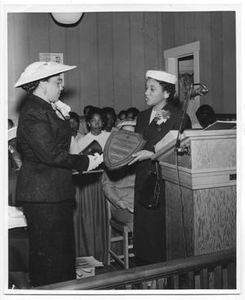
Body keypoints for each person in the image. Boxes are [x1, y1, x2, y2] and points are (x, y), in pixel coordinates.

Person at [13, 61, 102, 287]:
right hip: (43, 196)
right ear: (42, 85)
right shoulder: (33, 111)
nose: (61, 86)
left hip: (54, 192)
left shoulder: (46, 107)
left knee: (61, 257)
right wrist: (85, 162)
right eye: (57, 81)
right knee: (50, 262)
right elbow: (51, 154)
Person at [129, 70, 191, 265]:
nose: (146, 92)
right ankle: (146, 278)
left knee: (158, 237)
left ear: (166, 93)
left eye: (152, 89)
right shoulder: (142, 116)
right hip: (141, 180)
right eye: (146, 88)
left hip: (162, 183)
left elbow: (180, 152)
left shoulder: (178, 117)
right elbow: (137, 144)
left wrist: (153, 153)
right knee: (143, 236)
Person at [102, 120, 136, 232]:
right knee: (137, 218)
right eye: (126, 133)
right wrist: (118, 202)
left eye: (132, 133)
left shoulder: (139, 155)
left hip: (139, 203)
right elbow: (107, 186)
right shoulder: (112, 157)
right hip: (121, 206)